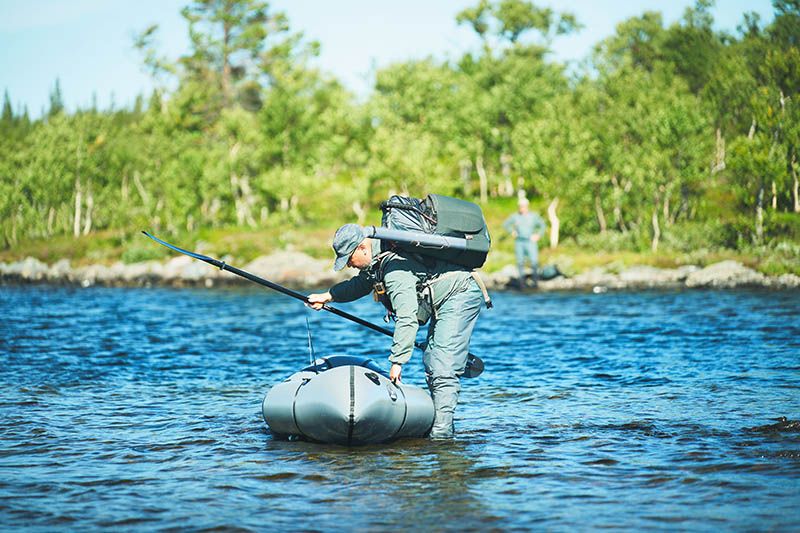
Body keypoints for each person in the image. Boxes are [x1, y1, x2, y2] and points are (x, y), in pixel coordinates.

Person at [307, 224, 488, 440]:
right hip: (442, 295)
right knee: (432, 358)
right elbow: (361, 284)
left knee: (441, 365)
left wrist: (397, 362)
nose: (349, 265)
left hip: (460, 293)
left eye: (349, 259)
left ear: (362, 248)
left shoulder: (393, 270)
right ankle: (439, 426)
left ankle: (441, 438)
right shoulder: (379, 258)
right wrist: (328, 296)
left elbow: (407, 318)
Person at [503, 197, 546, 288]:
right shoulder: (515, 216)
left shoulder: (534, 216)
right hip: (519, 241)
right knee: (520, 262)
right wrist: (512, 231)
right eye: (520, 206)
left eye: (524, 206)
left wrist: (538, 235)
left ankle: (535, 282)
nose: (522, 208)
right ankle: (522, 283)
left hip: (530, 241)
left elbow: (543, 225)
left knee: (534, 262)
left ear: (527, 206)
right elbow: (506, 224)